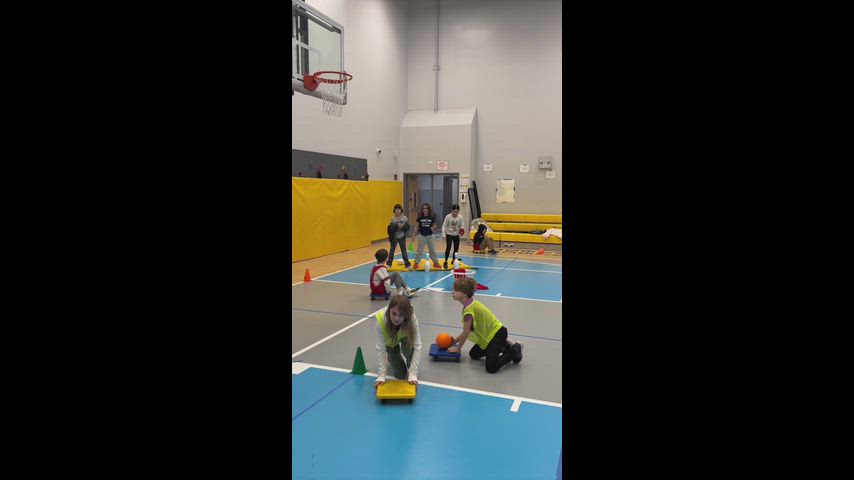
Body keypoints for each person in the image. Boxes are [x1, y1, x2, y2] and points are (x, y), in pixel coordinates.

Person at [447, 277, 522, 373]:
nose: (452, 292)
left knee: (491, 367)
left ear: (465, 293)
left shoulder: (468, 311)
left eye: (456, 290)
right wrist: (454, 341)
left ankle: (515, 349)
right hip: (489, 337)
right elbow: (468, 330)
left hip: (497, 334)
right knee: (473, 354)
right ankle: (504, 346)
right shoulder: (470, 304)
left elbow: (466, 332)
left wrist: (458, 348)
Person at [374, 295, 422, 389]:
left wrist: (413, 373)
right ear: (389, 310)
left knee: (409, 352)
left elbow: (418, 345)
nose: (396, 319)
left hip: (405, 337)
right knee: (400, 375)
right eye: (394, 313)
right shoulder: (381, 320)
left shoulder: (412, 319)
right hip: (391, 342)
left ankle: (410, 365)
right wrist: (381, 375)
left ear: (406, 315)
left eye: (401, 315)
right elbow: (380, 348)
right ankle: (391, 356)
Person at [413, 202, 441, 269]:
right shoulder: (420, 217)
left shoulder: (432, 216)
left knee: (432, 250)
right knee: (419, 250)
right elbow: (416, 226)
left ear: (428, 209)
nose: (424, 210)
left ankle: (435, 262)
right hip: (422, 235)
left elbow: (434, 225)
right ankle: (416, 262)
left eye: (426, 208)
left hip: (430, 236)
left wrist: (433, 227)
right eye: (423, 208)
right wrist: (413, 235)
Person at [387, 204, 413, 270]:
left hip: (402, 237)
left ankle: (407, 264)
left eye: (399, 209)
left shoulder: (404, 218)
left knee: (404, 251)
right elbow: (389, 229)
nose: (397, 210)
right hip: (394, 237)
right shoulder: (392, 218)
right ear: (394, 210)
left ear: (401, 210)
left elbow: (408, 227)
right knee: (392, 251)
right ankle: (389, 264)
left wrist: (403, 226)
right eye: (396, 209)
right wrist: (394, 226)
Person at [442, 204, 465, 269]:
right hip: (449, 234)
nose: (455, 213)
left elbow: (462, 225)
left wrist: (461, 229)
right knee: (448, 247)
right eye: (454, 211)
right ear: (451, 211)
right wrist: (443, 234)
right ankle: (446, 261)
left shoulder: (460, 217)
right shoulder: (448, 217)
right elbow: (444, 226)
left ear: (458, 211)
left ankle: (454, 260)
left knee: (456, 248)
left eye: (456, 212)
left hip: (456, 234)